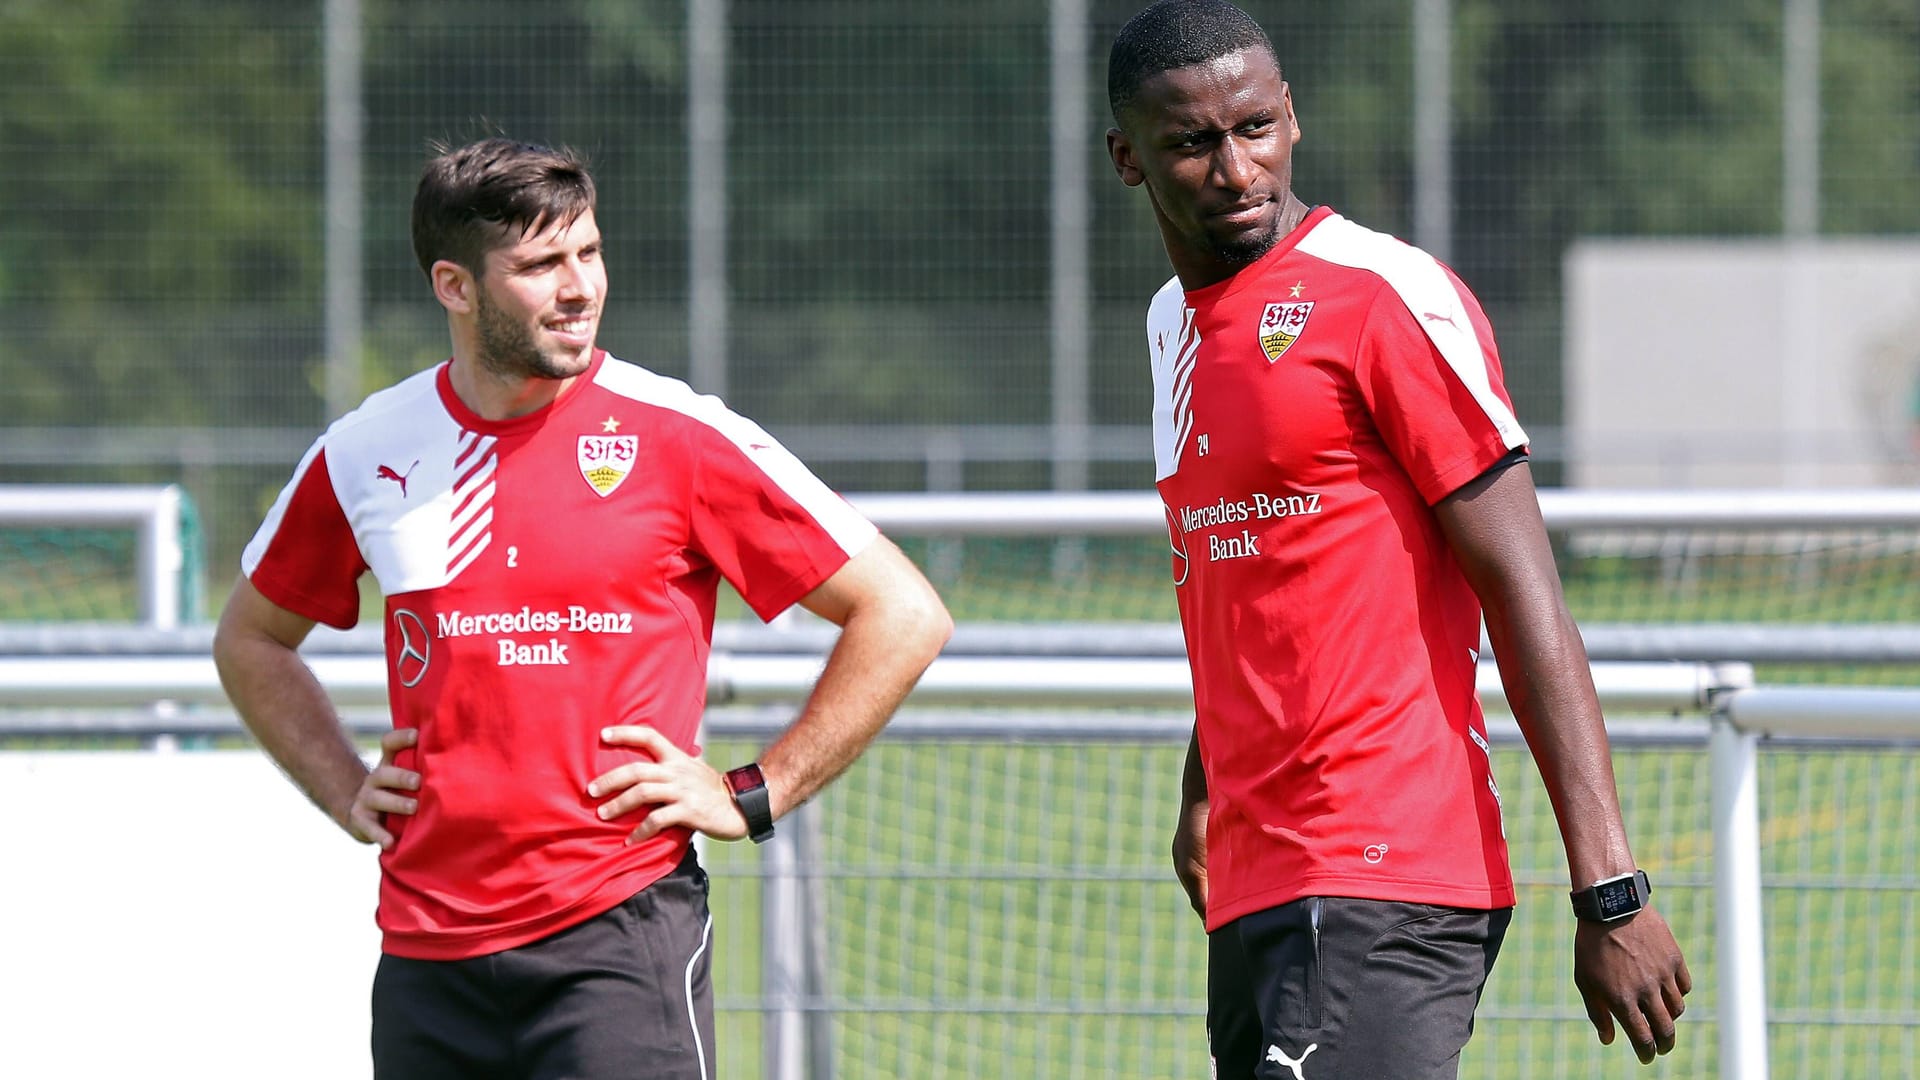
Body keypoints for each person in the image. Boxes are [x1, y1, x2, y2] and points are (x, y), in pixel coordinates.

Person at [212, 137, 952, 1079]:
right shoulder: (369, 448)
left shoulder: (679, 434)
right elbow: (251, 639)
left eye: (589, 253)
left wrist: (755, 791)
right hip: (425, 954)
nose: (579, 288)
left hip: (620, 937)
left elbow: (902, 611)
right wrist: (341, 782)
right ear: (455, 285)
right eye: (538, 266)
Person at [1104, 3, 1690, 1077]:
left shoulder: (1384, 295)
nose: (1237, 170)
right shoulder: (1168, 328)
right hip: (1260, 874)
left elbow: (1525, 591)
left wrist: (1611, 891)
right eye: (1193, 143)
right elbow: (1256, 583)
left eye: (1256, 128)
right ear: (1128, 158)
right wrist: (1204, 784)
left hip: (1384, 868)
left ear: (1291, 116)